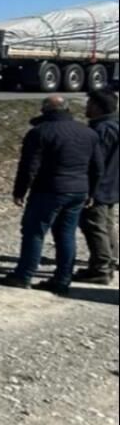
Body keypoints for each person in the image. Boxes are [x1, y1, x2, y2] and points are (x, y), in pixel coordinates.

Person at [0, 96, 102, 295]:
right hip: (79, 189)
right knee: (66, 234)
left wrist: (20, 191)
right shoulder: (88, 133)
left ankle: (24, 275)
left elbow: (29, 166)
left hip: (49, 189)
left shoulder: (40, 132)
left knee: (34, 232)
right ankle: (62, 280)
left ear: (45, 110)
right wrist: (92, 192)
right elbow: (97, 167)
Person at [77, 90, 119, 284]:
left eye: (89, 103)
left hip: (100, 185)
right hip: (113, 184)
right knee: (106, 223)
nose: (86, 107)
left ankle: (101, 269)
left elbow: (95, 162)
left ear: (97, 107)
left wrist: (89, 188)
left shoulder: (102, 129)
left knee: (94, 225)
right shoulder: (115, 125)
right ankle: (111, 259)